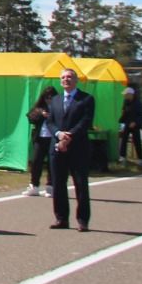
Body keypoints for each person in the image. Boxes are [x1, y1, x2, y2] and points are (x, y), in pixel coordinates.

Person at [47, 67, 95, 232]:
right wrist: (59, 134)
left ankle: (83, 220)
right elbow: (50, 122)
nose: (65, 80)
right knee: (58, 184)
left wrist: (69, 136)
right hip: (57, 148)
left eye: (69, 77)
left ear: (76, 80)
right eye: (63, 77)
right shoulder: (55, 100)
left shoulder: (86, 99)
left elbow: (85, 121)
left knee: (80, 185)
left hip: (78, 148)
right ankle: (61, 218)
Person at [22, 86, 56, 196]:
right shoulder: (39, 107)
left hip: (53, 139)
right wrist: (41, 114)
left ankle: (50, 186)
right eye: (47, 97)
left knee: (52, 163)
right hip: (40, 138)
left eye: (51, 97)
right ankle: (34, 185)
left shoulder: (58, 107)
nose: (49, 99)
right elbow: (30, 118)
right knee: (36, 162)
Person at [118, 85, 142, 164]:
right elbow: (124, 113)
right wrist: (121, 121)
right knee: (124, 141)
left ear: (130, 94)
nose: (125, 96)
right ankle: (122, 157)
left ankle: (140, 159)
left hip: (135, 126)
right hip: (127, 124)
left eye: (126, 95)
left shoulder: (138, 104)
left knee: (137, 142)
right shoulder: (126, 102)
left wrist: (135, 122)